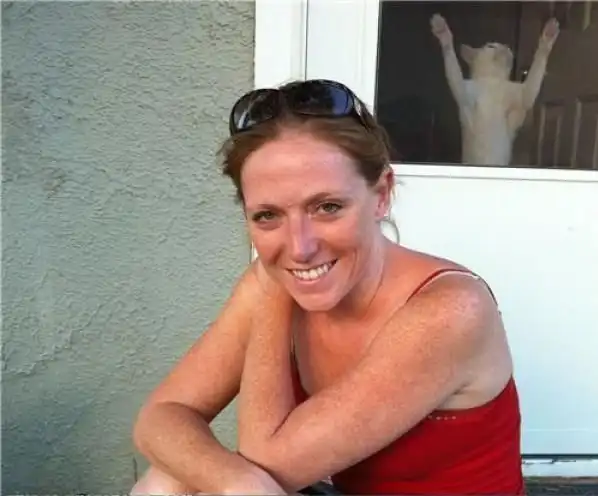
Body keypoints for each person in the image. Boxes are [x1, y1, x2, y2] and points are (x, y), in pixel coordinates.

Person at [131, 79, 525, 495]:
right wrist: (232, 479)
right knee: (167, 481)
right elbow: (159, 416)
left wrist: (271, 285)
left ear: (381, 195)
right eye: (267, 216)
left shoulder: (452, 310)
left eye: (327, 207)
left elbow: (269, 459)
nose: (300, 248)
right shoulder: (276, 281)